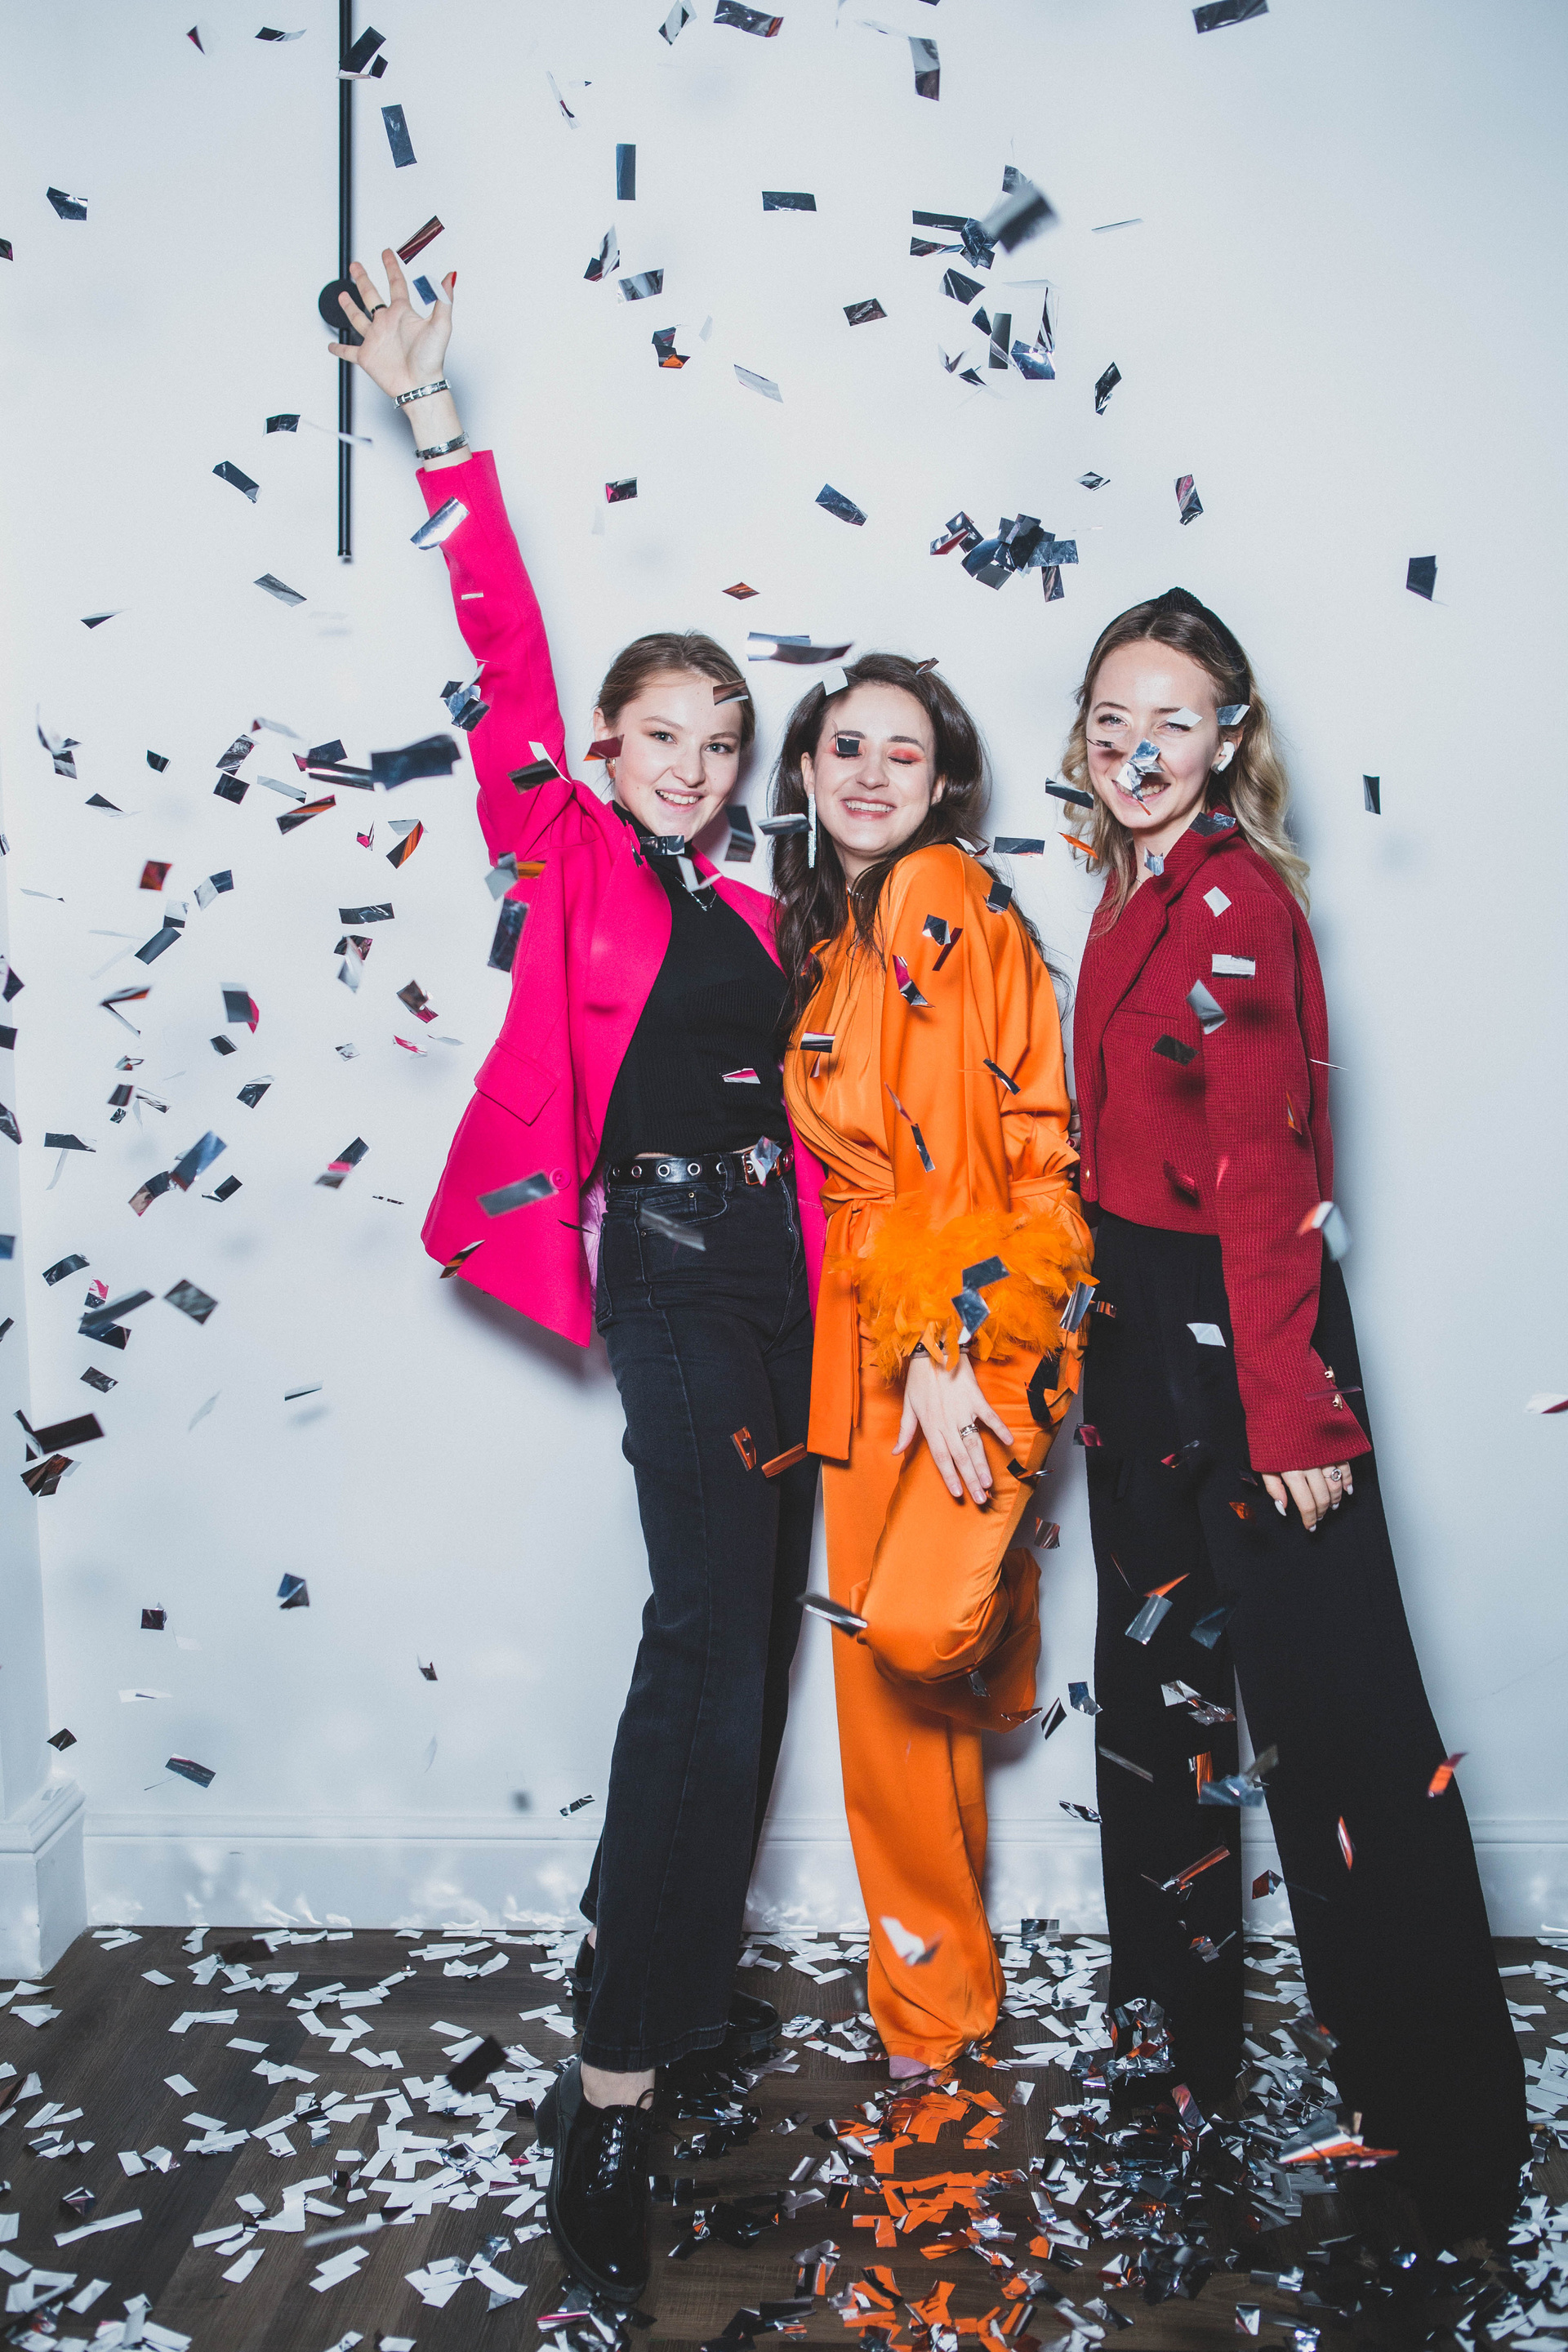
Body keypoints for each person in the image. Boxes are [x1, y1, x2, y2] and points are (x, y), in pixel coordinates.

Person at [327, 252, 828, 2302]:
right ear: (608, 748)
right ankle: (610, 2089)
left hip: (786, 1283)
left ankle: (667, 1983)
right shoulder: (571, 854)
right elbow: (508, 651)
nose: (695, 762)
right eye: (663, 734)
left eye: (723, 739)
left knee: (743, 1645)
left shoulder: (754, 903)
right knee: (705, 1648)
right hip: (678, 1271)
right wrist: (437, 427)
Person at [1067, 586, 1528, 2245]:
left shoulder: (1240, 900)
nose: (1139, 747)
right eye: (1113, 719)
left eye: (1173, 720)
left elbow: (1267, 1167)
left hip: (1249, 1341)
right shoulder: (1127, 891)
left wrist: (1294, 1410)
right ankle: (1172, 2078)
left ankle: (1442, 2143)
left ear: (1228, 739)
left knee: (1345, 1741)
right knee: (1157, 1721)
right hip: (1137, 1342)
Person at [775, 655, 1094, 2078]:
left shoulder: (933, 892)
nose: (870, 774)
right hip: (861, 1324)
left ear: (946, 782)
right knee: (883, 1693)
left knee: (912, 1636)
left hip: (965, 1318)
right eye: (847, 746)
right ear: (804, 769)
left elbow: (959, 1152)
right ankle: (932, 2009)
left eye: (903, 753)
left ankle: (999, 1614)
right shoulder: (836, 935)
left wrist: (945, 1347)